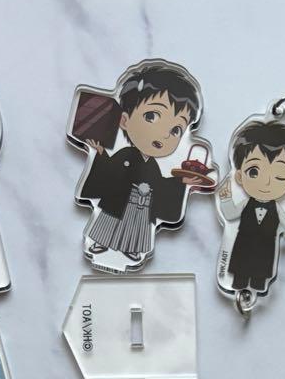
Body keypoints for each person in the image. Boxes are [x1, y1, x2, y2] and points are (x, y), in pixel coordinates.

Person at [77, 62, 201, 264]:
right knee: (110, 221)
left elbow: (160, 184)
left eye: (175, 130)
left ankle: (131, 248)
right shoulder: (125, 154)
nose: (164, 134)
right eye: (151, 116)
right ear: (124, 120)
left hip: (141, 207)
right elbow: (109, 171)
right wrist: (100, 154)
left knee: (136, 228)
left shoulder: (152, 165)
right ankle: (101, 242)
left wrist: (182, 183)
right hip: (118, 200)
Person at [217, 120, 285, 297]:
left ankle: (256, 287)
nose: (266, 182)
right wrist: (226, 198)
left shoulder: (277, 208)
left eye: (279, 177)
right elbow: (230, 214)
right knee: (239, 276)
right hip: (243, 248)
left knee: (259, 279)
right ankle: (240, 285)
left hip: (265, 252)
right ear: (239, 176)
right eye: (254, 172)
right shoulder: (246, 203)